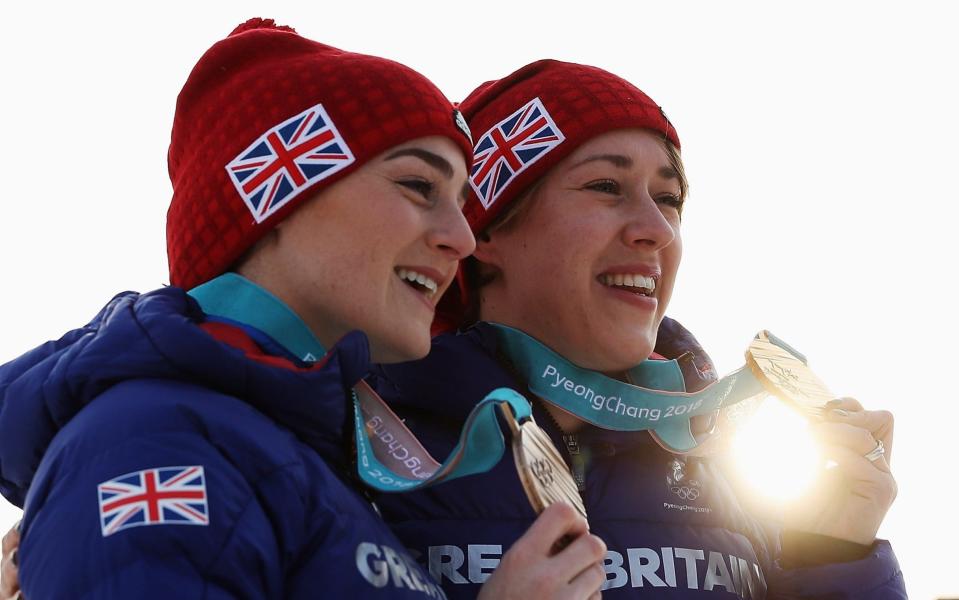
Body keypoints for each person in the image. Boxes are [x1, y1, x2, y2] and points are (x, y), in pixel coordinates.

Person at [0, 21, 606, 600]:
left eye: (462, 201)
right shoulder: (161, 439)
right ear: (279, 199)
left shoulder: (288, 450)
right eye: (420, 187)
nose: (462, 238)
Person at [365, 59, 906, 598]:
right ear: (485, 231)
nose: (655, 229)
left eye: (668, 199)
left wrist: (832, 555)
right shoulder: (362, 446)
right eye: (606, 186)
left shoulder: (729, 472)